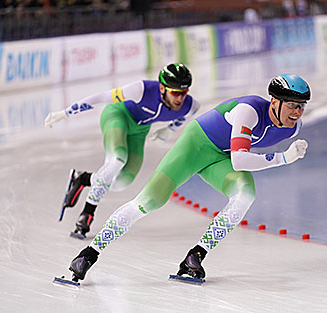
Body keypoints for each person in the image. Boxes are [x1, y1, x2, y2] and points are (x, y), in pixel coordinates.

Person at [67, 73, 311, 282]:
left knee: (245, 195)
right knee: (149, 201)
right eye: (292, 105)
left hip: (220, 157)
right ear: (274, 101)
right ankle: (88, 254)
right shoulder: (249, 111)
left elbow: (235, 158)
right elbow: (240, 160)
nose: (297, 112)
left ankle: (196, 256)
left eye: (302, 106)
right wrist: (284, 158)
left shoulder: (294, 126)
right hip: (195, 146)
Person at [45, 63, 199, 238]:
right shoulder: (141, 89)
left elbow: (183, 118)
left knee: (122, 182)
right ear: (162, 88)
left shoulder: (190, 106)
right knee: (117, 159)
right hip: (117, 116)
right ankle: (86, 215)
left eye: (184, 93)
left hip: (139, 131)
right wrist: (66, 113)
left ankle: (84, 178)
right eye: (175, 93)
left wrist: (169, 129)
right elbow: (102, 97)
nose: (180, 98)